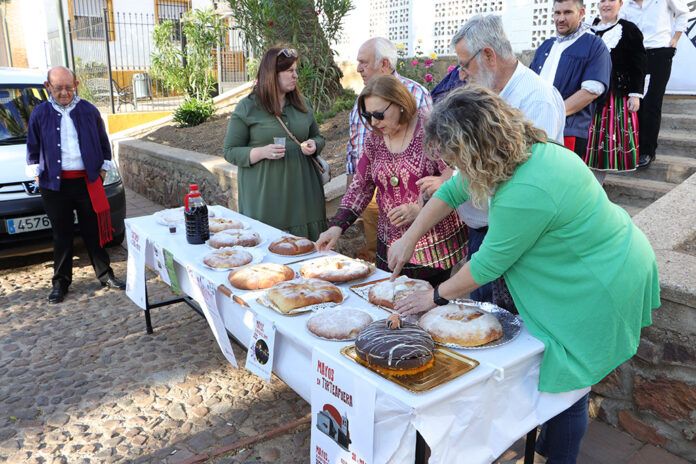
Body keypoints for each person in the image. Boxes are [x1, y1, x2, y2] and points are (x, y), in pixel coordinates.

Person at [388, 86, 660, 463]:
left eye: (456, 157)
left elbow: (487, 264)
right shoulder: (510, 155)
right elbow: (453, 190)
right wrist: (409, 237)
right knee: (558, 385)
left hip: (602, 281)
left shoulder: (527, 187)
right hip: (589, 265)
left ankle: (558, 455)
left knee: (567, 386)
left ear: (475, 147)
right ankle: (546, 444)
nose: (454, 167)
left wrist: (434, 296)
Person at [446, 14, 566, 304]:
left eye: (465, 64)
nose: (462, 74)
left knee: (505, 328)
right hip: (483, 229)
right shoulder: (489, 93)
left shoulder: (536, 98)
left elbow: (527, 181)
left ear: (488, 55)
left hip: (513, 238)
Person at [317, 75, 466, 285]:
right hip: (389, 243)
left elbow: (457, 175)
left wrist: (418, 208)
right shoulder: (375, 138)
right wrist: (337, 226)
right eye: (367, 116)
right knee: (391, 304)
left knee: (424, 308)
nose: (374, 122)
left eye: (379, 114)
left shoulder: (430, 130)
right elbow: (361, 186)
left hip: (431, 248)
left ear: (400, 103)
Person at [26, 66, 126, 304]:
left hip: (86, 182)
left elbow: (104, 144)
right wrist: (36, 173)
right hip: (54, 186)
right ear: (47, 86)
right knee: (62, 235)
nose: (64, 92)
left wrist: (101, 170)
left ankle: (105, 275)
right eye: (58, 87)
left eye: (68, 87)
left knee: (93, 232)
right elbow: (32, 147)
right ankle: (60, 283)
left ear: (76, 85)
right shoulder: (39, 114)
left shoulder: (89, 111)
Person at [224, 47, 326, 240]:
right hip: (265, 197)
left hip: (304, 194)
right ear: (272, 74)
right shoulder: (248, 107)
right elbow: (230, 151)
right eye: (289, 71)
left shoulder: (302, 104)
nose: (295, 75)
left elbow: (319, 137)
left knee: (308, 254)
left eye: (295, 70)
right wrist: (261, 152)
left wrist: (314, 144)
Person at [346, 37, 433, 260]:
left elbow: (444, 172)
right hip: (377, 194)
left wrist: (419, 206)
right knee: (380, 258)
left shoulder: (418, 98)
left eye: (364, 62)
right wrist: (340, 221)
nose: (358, 69)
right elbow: (356, 156)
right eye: (368, 116)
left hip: (426, 235)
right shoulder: (365, 100)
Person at [530, 0, 612, 176]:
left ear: (581, 13)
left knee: (561, 184)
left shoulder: (594, 46)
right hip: (535, 130)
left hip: (569, 131)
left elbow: (591, 91)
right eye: (557, 13)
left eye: (567, 12)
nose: (560, 18)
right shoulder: (546, 45)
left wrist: (553, 114)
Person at [620, 0, 689, 168]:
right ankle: (634, 148)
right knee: (636, 103)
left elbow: (683, 12)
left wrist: (675, 39)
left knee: (652, 102)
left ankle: (648, 151)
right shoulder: (625, 6)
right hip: (636, 56)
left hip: (659, 53)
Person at [585, 0, 647, 173]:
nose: (606, 4)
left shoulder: (629, 29)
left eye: (611, 0)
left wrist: (635, 94)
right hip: (586, 94)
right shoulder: (587, 29)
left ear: (620, 3)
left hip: (615, 96)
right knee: (585, 143)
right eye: (602, 0)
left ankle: (597, 185)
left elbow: (638, 63)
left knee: (604, 142)